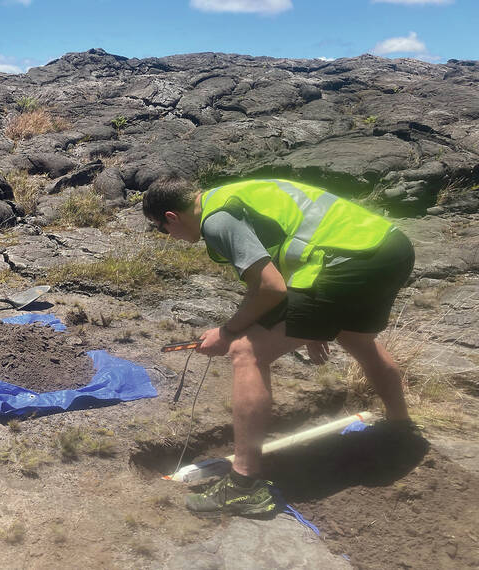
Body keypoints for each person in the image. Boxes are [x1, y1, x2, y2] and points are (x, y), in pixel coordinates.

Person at [143, 178, 415, 517]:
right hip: (388, 249)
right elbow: (288, 258)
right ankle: (401, 428)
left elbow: (271, 288)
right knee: (355, 337)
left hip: (344, 262)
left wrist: (227, 332)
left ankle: (243, 486)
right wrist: (315, 327)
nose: (168, 236)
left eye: (162, 229)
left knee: (246, 351)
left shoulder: (217, 220)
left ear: (171, 217)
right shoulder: (232, 196)